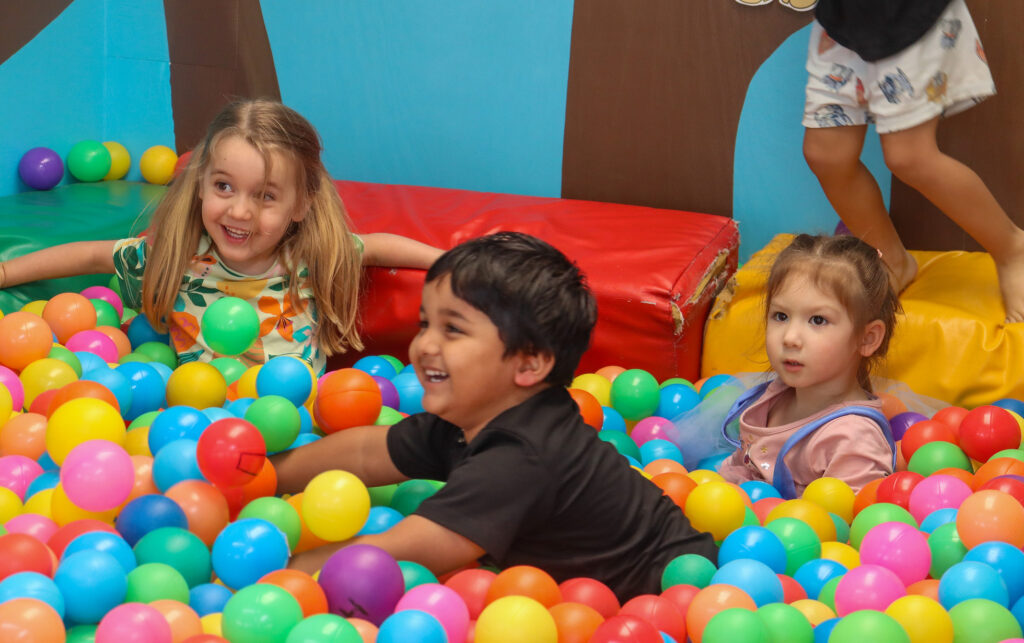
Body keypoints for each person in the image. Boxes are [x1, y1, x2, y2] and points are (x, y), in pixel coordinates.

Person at [273, 231, 717, 600]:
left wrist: (283, 574)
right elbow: (369, 451)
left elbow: (404, 550)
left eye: (454, 330)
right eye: (425, 324)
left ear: (528, 364)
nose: (425, 345)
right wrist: (270, 475)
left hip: (665, 593)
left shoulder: (521, 456)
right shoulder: (472, 412)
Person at [0, 99, 443, 373]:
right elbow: (89, 257)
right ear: (200, 183)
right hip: (196, 419)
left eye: (266, 196)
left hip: (294, 421)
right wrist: (6, 270)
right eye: (223, 186)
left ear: (301, 205)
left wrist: (449, 258)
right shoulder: (180, 256)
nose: (239, 210)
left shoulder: (308, 254)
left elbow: (378, 246)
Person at [801, 0, 1024, 322]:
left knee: (910, 156)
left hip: (909, 9)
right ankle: (892, 260)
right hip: (845, 21)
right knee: (826, 155)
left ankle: (1012, 248)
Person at [718, 234, 898, 496]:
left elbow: (842, 526)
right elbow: (740, 467)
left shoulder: (853, 439)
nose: (790, 338)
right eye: (781, 316)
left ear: (866, 338)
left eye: (817, 320)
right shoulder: (773, 397)